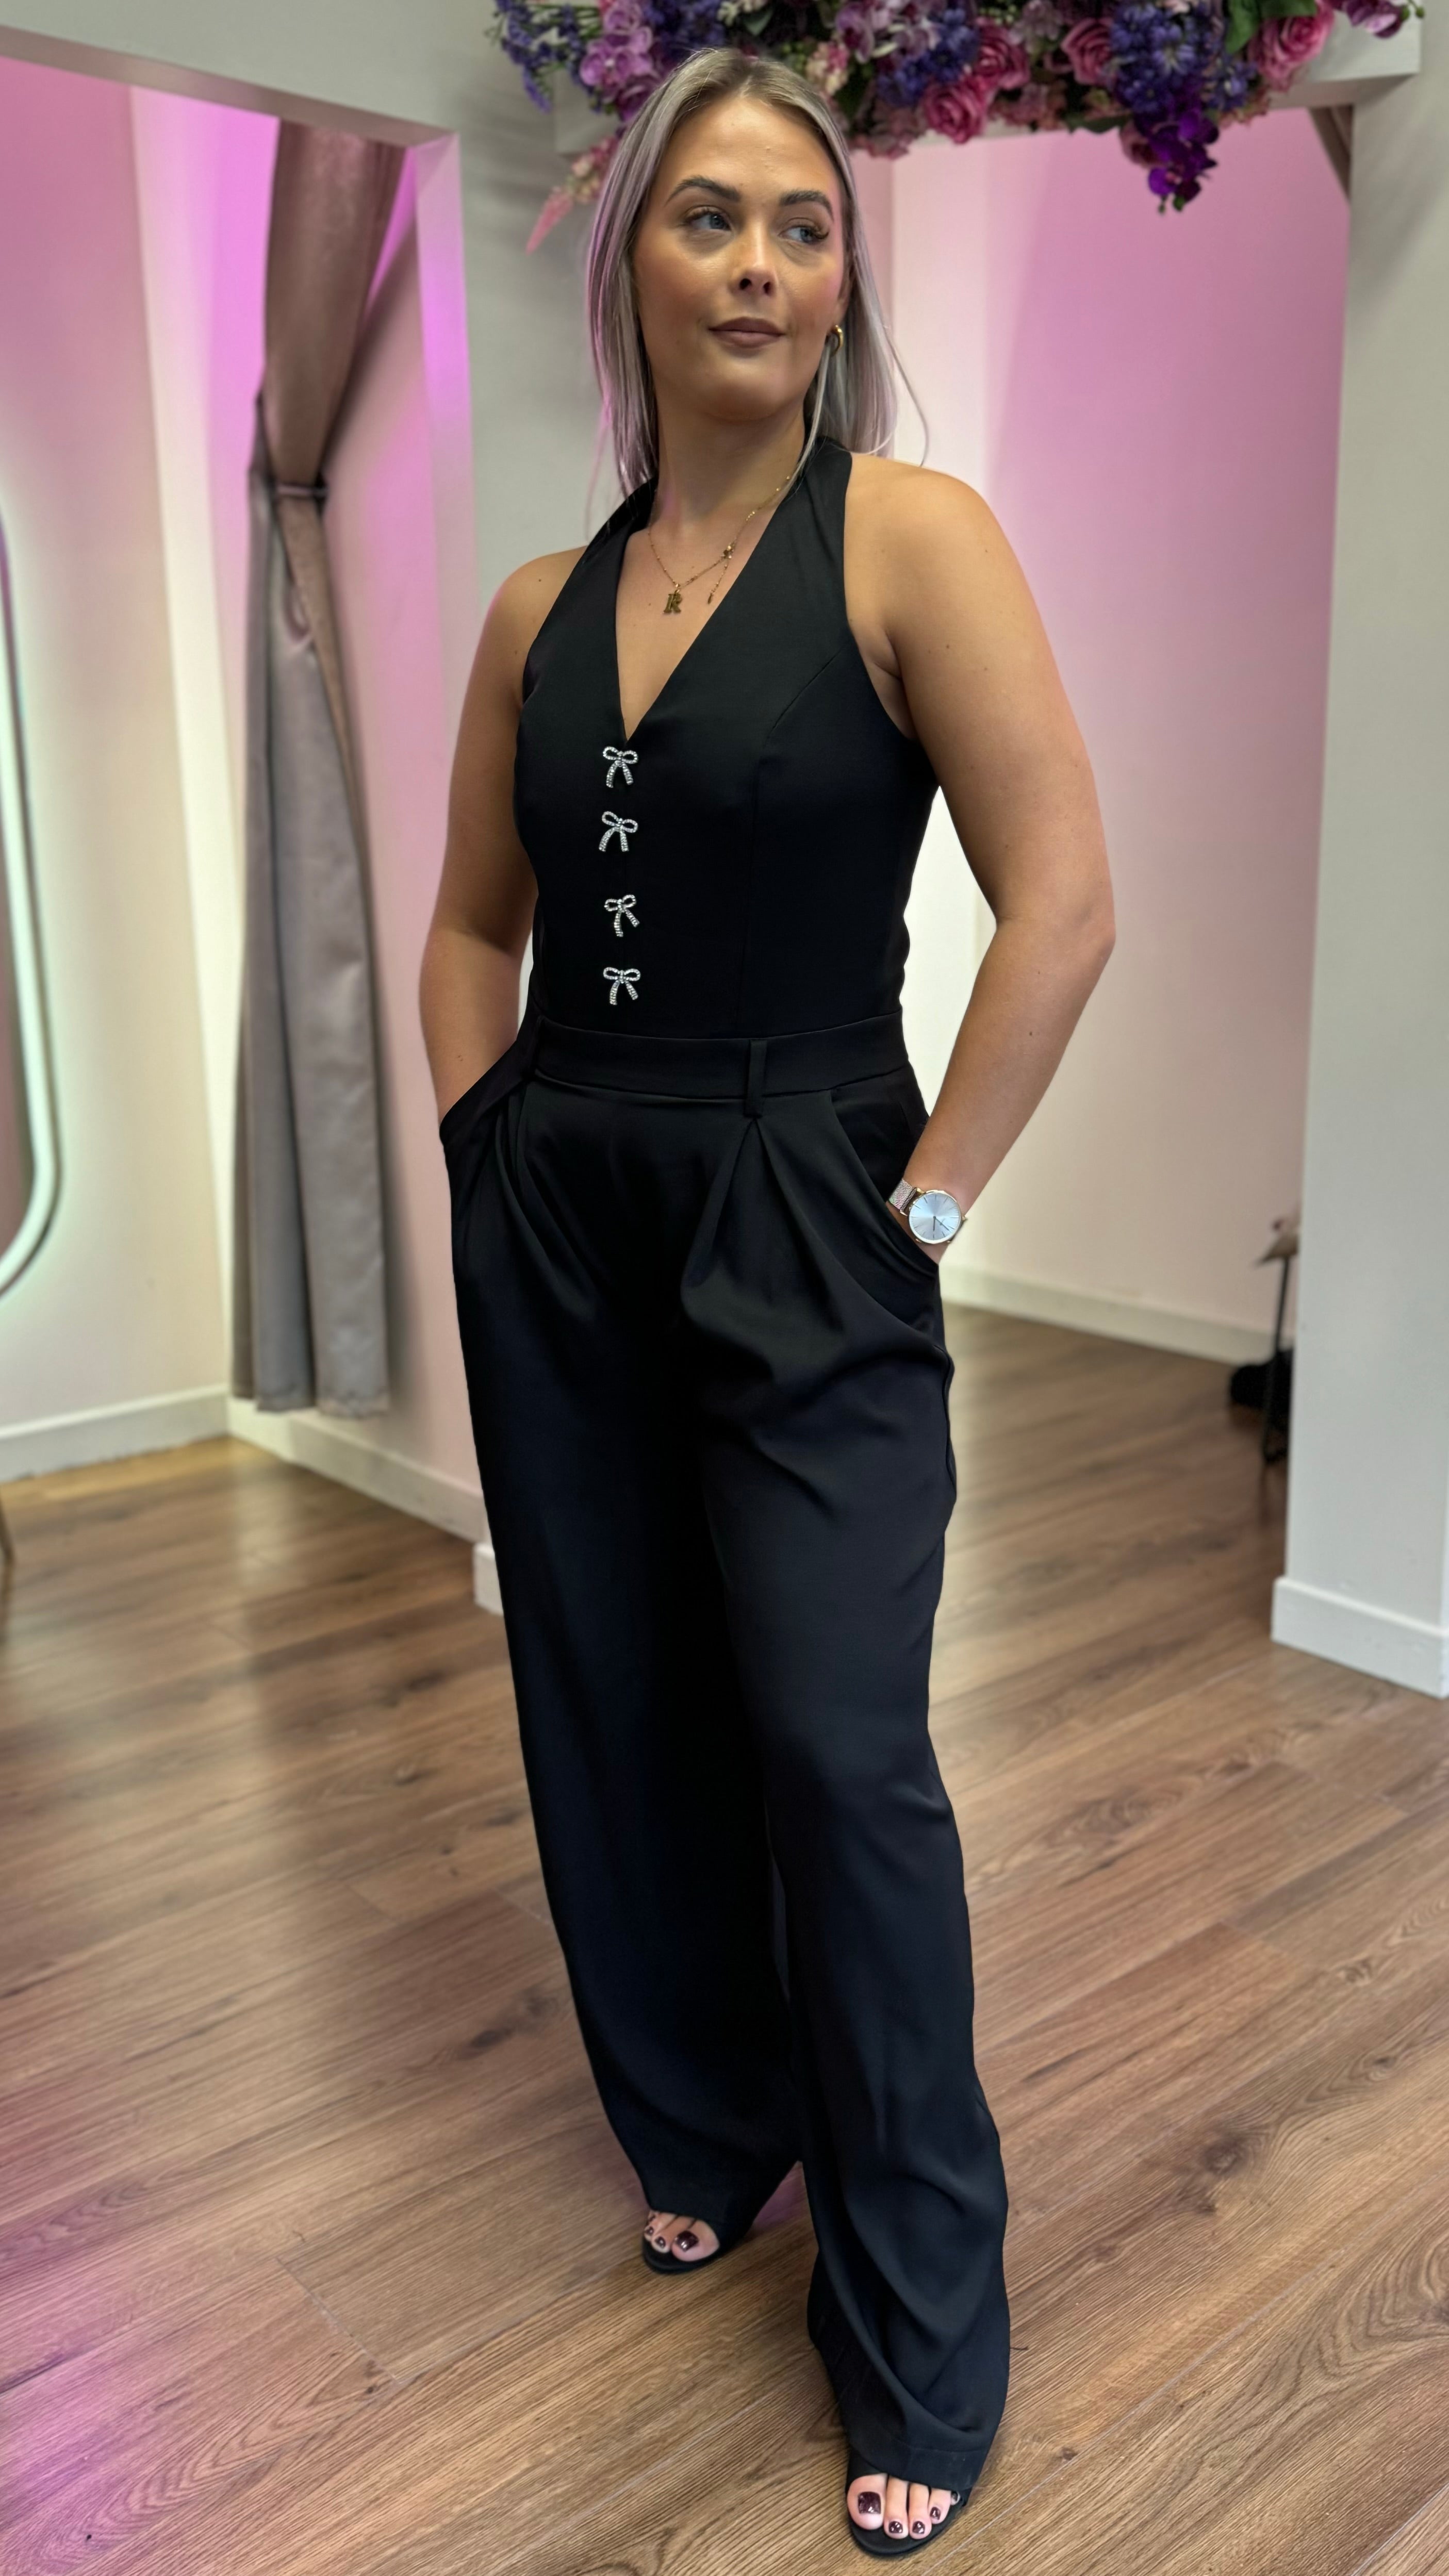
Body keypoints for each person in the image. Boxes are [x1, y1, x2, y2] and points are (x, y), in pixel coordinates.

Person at [419, 43, 1113, 2555]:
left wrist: (921, 1210)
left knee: (838, 1748)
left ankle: (921, 2318)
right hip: (568, 1202)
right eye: (709, 217)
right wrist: (486, 1148)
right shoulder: (537, 606)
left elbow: (1063, 906)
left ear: (841, 282)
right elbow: (468, 929)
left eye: (802, 228)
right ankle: (708, 2121)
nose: (758, 265)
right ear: (628, 257)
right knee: (615, 1692)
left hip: (812, 1186)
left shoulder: (910, 538)